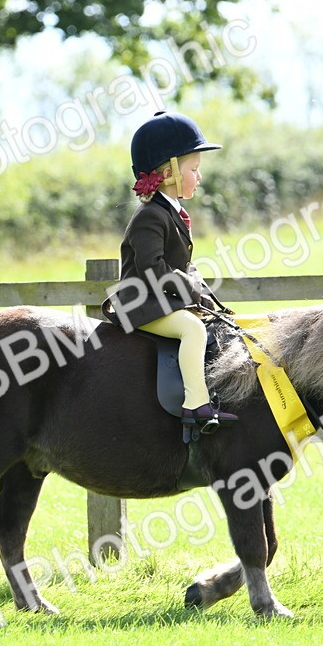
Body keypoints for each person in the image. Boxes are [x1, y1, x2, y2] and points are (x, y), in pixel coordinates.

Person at [104, 111, 237, 429]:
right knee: (193, 330)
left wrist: (205, 295)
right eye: (194, 169)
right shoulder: (150, 216)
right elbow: (152, 267)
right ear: (169, 173)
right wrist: (189, 289)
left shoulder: (172, 213)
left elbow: (184, 265)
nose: (199, 176)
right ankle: (195, 404)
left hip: (161, 300)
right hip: (140, 303)